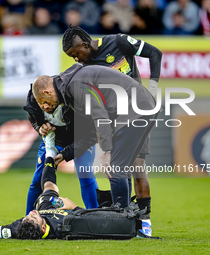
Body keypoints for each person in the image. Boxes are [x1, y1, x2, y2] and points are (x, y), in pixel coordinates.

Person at [31, 63, 160, 236]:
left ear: (47, 92)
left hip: (134, 110)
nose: (45, 108)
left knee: (116, 167)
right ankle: (138, 224)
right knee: (127, 167)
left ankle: (121, 223)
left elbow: (100, 116)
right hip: (141, 106)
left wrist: (106, 152)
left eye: (44, 103)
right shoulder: (70, 84)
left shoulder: (74, 86)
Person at [61, 25, 162, 236]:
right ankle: (124, 219)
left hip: (136, 114)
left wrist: (151, 89)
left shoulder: (118, 42)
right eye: (71, 57)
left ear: (86, 45)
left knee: (137, 167)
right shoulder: (85, 67)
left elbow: (154, 53)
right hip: (111, 121)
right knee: (116, 169)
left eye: (75, 53)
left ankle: (144, 224)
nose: (76, 59)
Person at [23, 85, 99, 215]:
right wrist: (39, 127)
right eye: (41, 103)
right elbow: (34, 119)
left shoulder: (75, 96)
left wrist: (65, 154)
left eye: (46, 102)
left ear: (50, 92)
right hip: (55, 141)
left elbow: (92, 135)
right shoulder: (34, 98)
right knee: (38, 179)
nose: (45, 107)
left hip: (80, 140)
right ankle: (28, 220)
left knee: (85, 173)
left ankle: (96, 217)